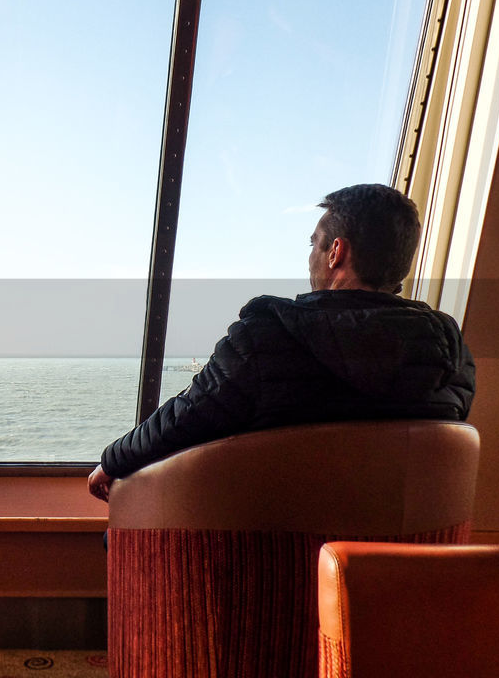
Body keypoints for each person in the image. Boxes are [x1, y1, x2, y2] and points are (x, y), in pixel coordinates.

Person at [88, 183, 475, 500]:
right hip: (391, 567)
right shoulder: (450, 351)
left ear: (336, 252)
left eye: (314, 244)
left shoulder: (267, 337)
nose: (310, 256)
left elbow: (183, 420)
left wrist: (112, 461)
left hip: (267, 559)